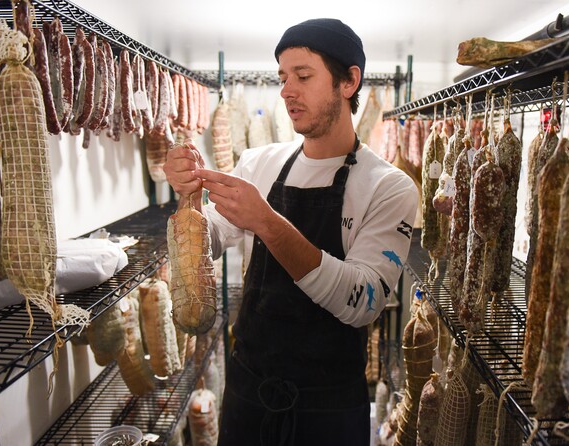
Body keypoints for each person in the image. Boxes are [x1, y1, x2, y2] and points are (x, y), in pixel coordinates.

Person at [163, 18, 418, 446]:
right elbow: (213, 237)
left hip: (329, 406)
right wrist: (188, 200)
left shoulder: (388, 187)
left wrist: (266, 221)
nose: (286, 91)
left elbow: (364, 302)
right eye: (283, 77)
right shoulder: (257, 163)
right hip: (248, 392)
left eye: (303, 75)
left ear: (349, 81)